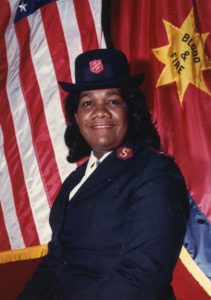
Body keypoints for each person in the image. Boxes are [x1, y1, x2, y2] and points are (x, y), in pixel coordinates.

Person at [18, 49, 189, 300]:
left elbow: (142, 277)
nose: (100, 112)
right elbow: (56, 261)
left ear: (129, 110)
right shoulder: (74, 182)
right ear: (76, 117)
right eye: (88, 103)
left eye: (112, 101)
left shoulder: (155, 173)